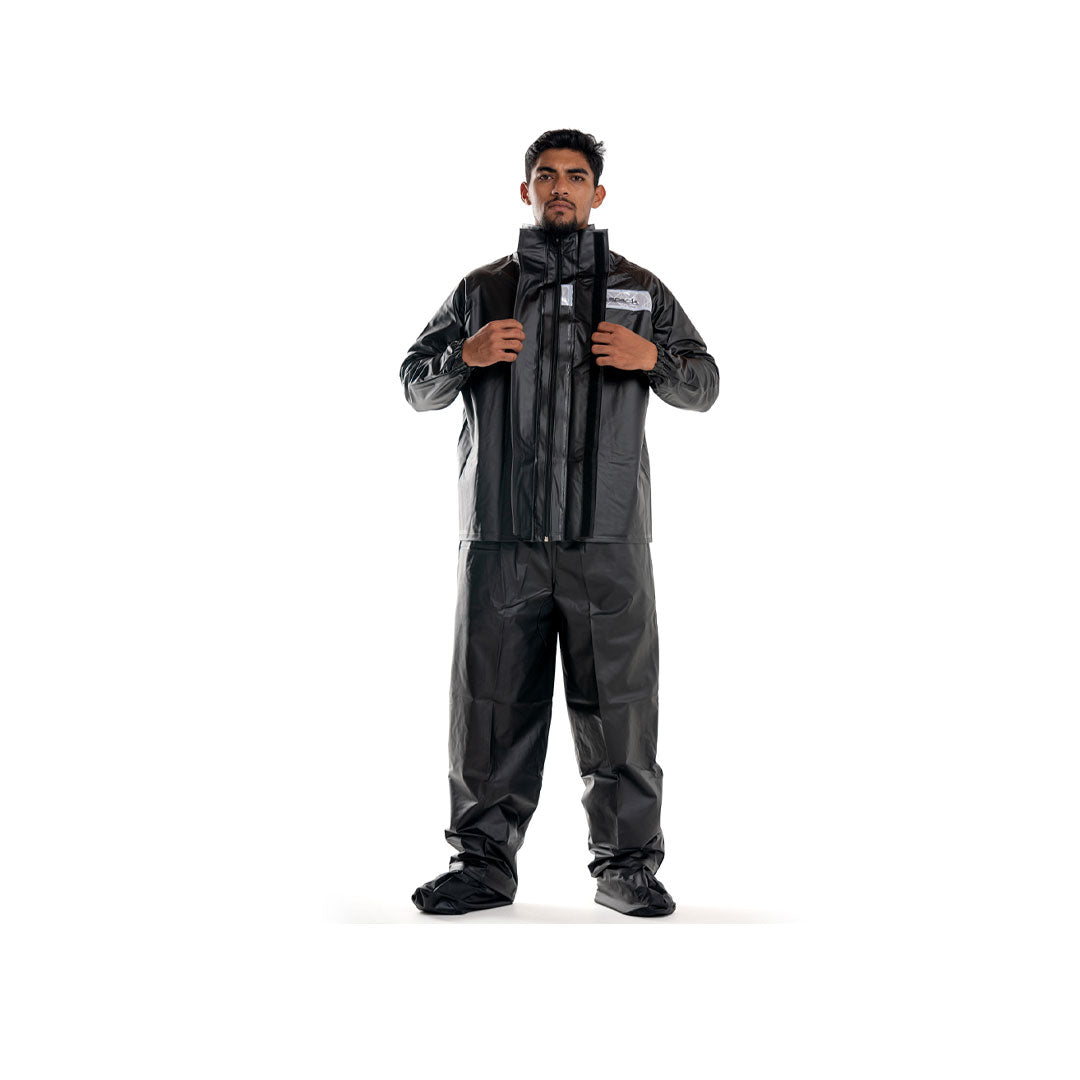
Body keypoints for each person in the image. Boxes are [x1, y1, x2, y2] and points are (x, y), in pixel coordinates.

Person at [400, 129, 718, 917]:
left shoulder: (639, 289)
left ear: (598, 194)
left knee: (621, 710)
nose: (561, 188)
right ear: (527, 191)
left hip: (606, 538)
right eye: (546, 176)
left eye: (576, 177)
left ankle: (627, 868)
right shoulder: (482, 291)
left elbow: (705, 384)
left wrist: (652, 361)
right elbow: (415, 383)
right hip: (501, 538)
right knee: (490, 707)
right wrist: (466, 354)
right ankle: (482, 866)